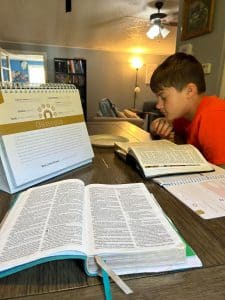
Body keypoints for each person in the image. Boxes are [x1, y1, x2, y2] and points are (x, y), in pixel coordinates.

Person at [149, 52, 225, 166]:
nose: (158, 105)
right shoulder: (183, 115)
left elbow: (221, 174)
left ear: (189, 91)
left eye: (163, 97)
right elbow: (167, 131)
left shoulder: (213, 116)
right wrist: (157, 125)